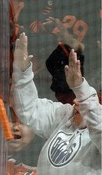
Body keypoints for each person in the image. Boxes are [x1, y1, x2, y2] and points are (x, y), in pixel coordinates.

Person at [11, 32, 101, 174]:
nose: (77, 101)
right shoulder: (66, 115)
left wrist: (81, 89)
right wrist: (22, 72)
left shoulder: (97, 140)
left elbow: (99, 127)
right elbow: (29, 110)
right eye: (78, 97)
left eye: (89, 98)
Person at [16, 0, 101, 103]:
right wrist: (11, 32)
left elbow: (89, 55)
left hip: (73, 98)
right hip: (33, 89)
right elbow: (20, 28)